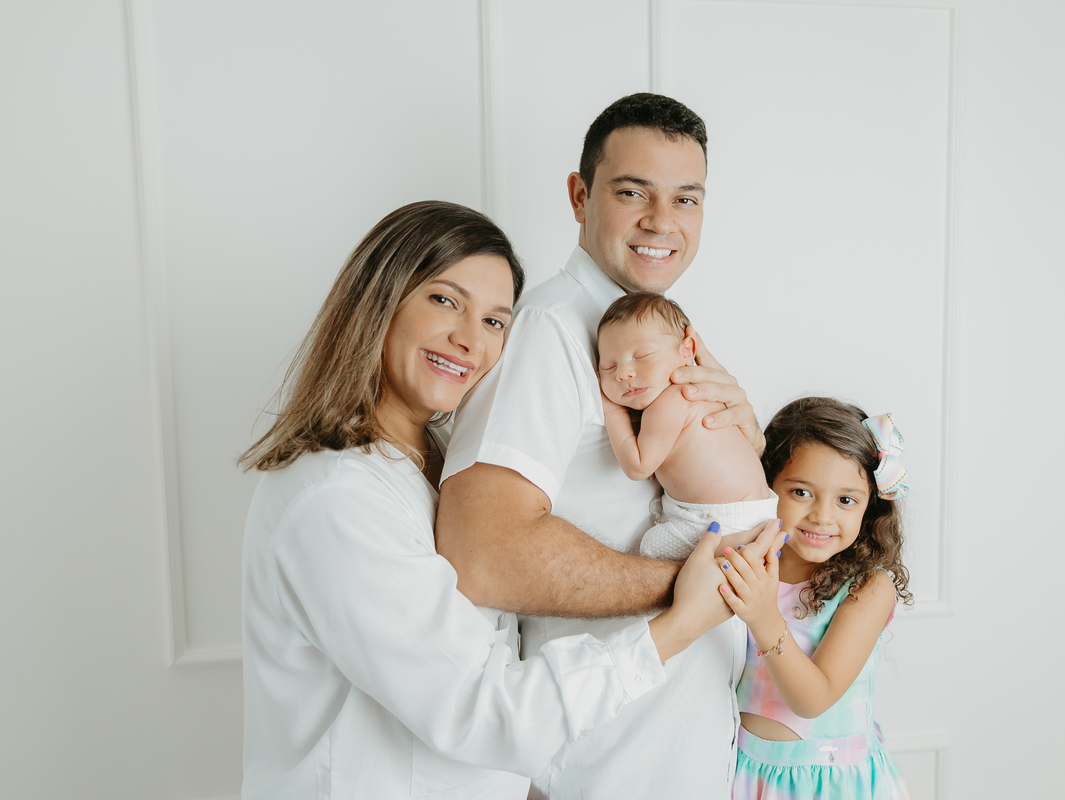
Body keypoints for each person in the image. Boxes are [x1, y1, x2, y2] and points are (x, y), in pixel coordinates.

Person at [237, 200, 763, 800]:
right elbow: (482, 711)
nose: (468, 339)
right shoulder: (335, 501)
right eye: (444, 300)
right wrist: (682, 616)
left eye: (494, 322)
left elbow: (487, 667)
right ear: (380, 301)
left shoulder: (437, 462)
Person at [438, 93, 782, 798]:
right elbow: (481, 551)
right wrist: (712, 586)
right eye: (634, 192)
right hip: (616, 754)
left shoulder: (645, 330)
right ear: (579, 195)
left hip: (685, 735)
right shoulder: (550, 334)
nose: (663, 222)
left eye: (687, 199)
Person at [717, 397, 914, 799]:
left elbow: (814, 700)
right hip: (742, 775)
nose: (823, 516)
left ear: (869, 508)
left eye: (845, 500)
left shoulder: (867, 587)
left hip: (826, 783)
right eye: (802, 492)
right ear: (768, 484)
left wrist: (763, 615)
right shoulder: (750, 562)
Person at [596, 292, 777, 560]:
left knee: (650, 547)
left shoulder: (670, 402)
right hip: (753, 509)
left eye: (642, 356)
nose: (624, 373)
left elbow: (637, 466)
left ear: (687, 351)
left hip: (721, 520)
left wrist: (612, 411)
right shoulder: (699, 392)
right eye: (609, 367)